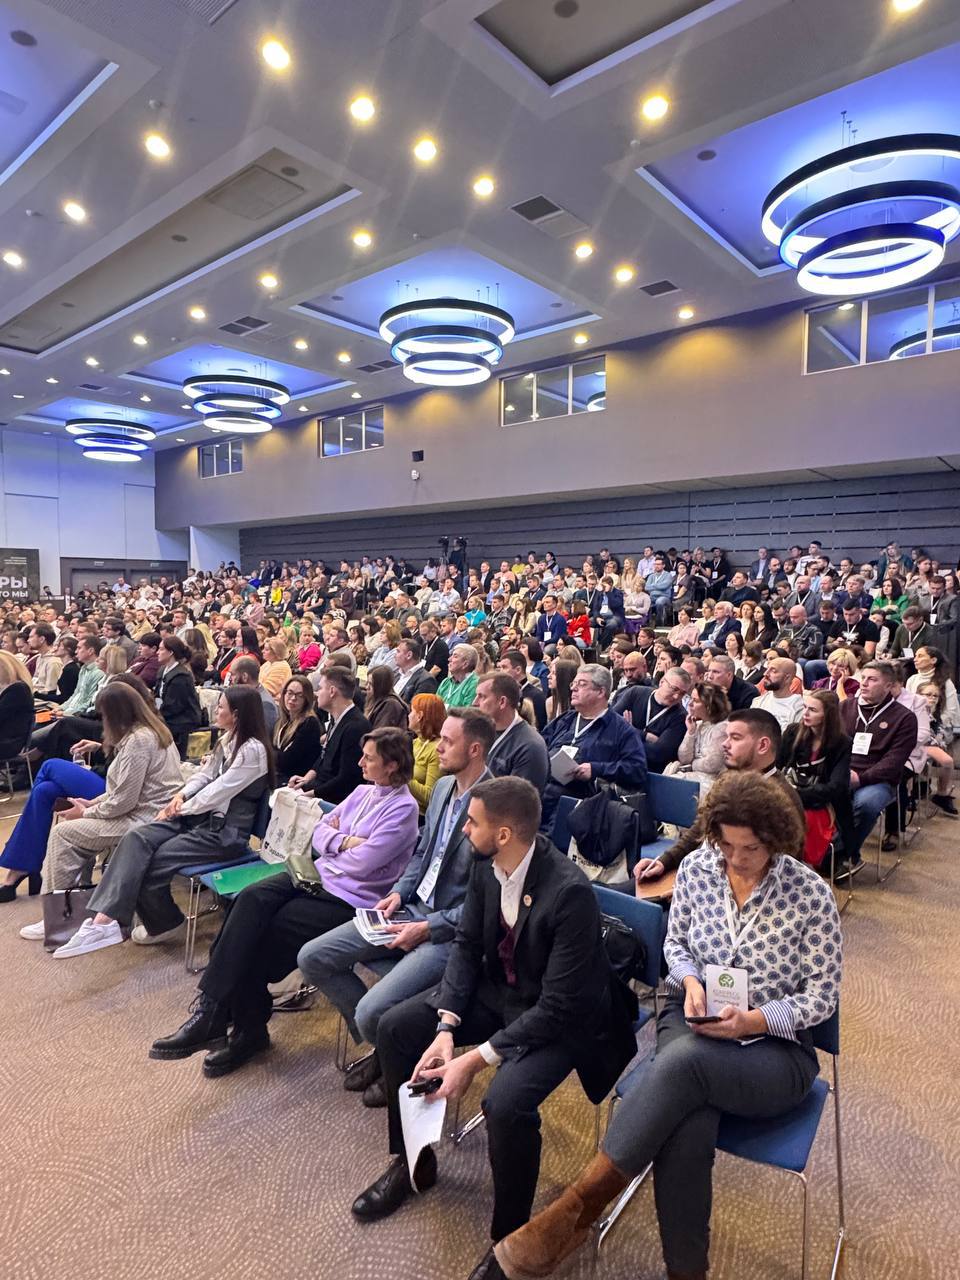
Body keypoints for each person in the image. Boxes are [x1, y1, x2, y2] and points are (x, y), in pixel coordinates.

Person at [493, 772, 842, 1280]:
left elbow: (822, 998)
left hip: (776, 1048)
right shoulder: (699, 866)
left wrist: (755, 1018)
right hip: (694, 1015)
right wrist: (691, 980)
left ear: (776, 839)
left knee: (683, 1070)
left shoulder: (809, 894)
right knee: (687, 1124)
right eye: (726, 844)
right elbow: (675, 944)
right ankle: (686, 1272)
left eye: (750, 848)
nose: (735, 858)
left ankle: (579, 1208)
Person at [351, 776, 638, 1280]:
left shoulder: (569, 892)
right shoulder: (488, 868)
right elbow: (466, 946)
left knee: (504, 1103)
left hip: (562, 1020)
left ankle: (510, 1238)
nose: (464, 829)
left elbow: (557, 1007)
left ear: (503, 834)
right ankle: (413, 1161)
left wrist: (475, 1058)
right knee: (397, 1028)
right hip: (505, 991)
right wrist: (446, 1027)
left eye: (472, 821)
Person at [149, 727, 418, 1073]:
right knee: (247, 902)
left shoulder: (404, 809)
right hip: (315, 874)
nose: (360, 763)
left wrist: (336, 841)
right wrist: (344, 841)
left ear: (392, 765)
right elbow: (317, 831)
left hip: (350, 898)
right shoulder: (363, 792)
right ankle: (213, 1010)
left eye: (369, 758)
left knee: (260, 934)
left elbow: (364, 863)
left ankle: (241, 1028)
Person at [297, 708, 494, 1104]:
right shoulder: (443, 788)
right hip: (411, 906)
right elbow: (422, 854)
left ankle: (390, 1056)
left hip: (447, 931)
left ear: (474, 750)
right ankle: (387, 1047)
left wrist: (428, 927)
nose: (436, 747)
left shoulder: (494, 803)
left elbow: (484, 903)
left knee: (371, 1011)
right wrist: (400, 893)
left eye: (447, 741)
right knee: (312, 957)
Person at [50, 686, 274, 957]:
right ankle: (104, 921)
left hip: (224, 834)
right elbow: (204, 776)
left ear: (236, 714)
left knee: (150, 860)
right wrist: (180, 796)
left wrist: (178, 808)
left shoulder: (253, 751)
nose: (215, 710)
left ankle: (160, 922)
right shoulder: (227, 740)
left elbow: (219, 791)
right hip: (198, 819)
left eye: (220, 707)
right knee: (137, 838)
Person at [13, 685, 183, 926]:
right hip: (148, 813)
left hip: (144, 819)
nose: (102, 721)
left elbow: (123, 801)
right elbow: (122, 792)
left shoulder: (138, 741)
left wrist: (86, 812)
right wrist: (92, 803)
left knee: (63, 834)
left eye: (103, 715)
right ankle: (64, 910)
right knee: (52, 803)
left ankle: (58, 918)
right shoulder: (149, 732)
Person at [634, 707, 805, 885]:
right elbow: (700, 827)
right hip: (703, 876)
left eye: (735, 738)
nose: (725, 744)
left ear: (762, 746)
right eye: (726, 736)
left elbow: (786, 869)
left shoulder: (784, 800)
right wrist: (665, 861)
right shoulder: (727, 779)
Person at [541, 664, 648, 830]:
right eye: (573, 684)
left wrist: (596, 769)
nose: (574, 689)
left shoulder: (620, 730)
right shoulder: (565, 720)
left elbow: (637, 769)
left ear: (601, 692)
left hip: (582, 804)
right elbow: (540, 746)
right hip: (543, 793)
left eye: (582, 684)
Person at [838, 661, 918, 870]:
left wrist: (861, 778)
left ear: (889, 685)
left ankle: (844, 855)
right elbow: (831, 744)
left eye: (872, 679)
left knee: (866, 805)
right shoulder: (845, 707)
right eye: (863, 678)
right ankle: (832, 854)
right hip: (842, 773)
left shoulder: (905, 718)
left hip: (879, 781)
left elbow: (894, 761)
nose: (864, 683)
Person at [778, 690, 854, 868]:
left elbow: (836, 786)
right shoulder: (792, 732)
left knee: (805, 819)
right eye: (805, 707)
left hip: (821, 801)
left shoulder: (842, 743)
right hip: (789, 794)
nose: (805, 713)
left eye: (812, 710)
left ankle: (802, 865)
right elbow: (777, 766)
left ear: (828, 715)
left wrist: (797, 795)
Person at [287, 667, 371, 802]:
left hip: (333, 801)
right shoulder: (336, 718)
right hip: (320, 789)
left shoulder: (356, 727)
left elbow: (347, 779)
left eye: (320, 688)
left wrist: (309, 794)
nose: (316, 693)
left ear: (332, 691)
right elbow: (324, 756)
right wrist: (305, 779)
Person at [475, 673, 550, 793]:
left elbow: (517, 799)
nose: (475, 702)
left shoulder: (529, 746)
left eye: (482, 697)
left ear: (502, 702)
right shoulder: (480, 732)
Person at [619, 667, 691, 772]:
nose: (676, 696)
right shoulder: (635, 693)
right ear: (662, 682)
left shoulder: (680, 717)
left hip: (648, 771)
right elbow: (609, 724)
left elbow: (657, 754)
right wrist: (644, 735)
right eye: (674, 689)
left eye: (682, 693)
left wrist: (625, 735)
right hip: (617, 762)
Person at [667, 682, 730, 790]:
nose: (690, 704)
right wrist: (690, 732)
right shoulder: (698, 725)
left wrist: (692, 764)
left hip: (712, 784)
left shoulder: (722, 728)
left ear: (709, 705)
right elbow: (684, 759)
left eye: (695, 700)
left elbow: (712, 764)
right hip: (695, 778)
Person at [155, 635, 203, 757]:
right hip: (167, 716)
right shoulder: (162, 670)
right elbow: (157, 696)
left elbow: (174, 706)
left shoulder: (181, 676)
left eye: (161, 649)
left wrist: (154, 716)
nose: (157, 652)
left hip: (181, 722)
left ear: (171, 652)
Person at [916, 681, 958, 815]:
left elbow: (938, 729)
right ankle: (920, 792)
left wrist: (939, 739)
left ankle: (941, 793)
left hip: (929, 743)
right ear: (918, 695)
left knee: (947, 758)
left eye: (935, 696)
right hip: (915, 744)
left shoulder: (934, 711)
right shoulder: (914, 710)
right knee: (946, 760)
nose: (933, 698)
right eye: (928, 694)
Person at [272, 675, 323, 786]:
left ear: (307, 699)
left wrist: (268, 753)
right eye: (290, 693)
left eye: (300, 695)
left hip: (294, 781)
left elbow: (286, 762)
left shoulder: (310, 723)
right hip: (279, 776)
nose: (293, 698)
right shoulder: (283, 720)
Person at [408, 692, 445, 814]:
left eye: (411, 711)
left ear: (419, 716)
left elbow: (430, 796)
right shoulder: (414, 742)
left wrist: (403, 778)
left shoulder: (437, 750)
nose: (408, 715)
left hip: (419, 815)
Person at [230, 655, 277, 734]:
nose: (230, 679)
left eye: (233, 674)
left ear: (245, 676)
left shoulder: (264, 703)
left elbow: (264, 736)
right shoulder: (247, 695)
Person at [754, 657, 805, 729]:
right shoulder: (758, 701)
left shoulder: (799, 708)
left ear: (787, 678)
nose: (765, 674)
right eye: (767, 669)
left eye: (773, 671)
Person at [364, 664, 410, 729]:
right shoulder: (374, 699)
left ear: (380, 686)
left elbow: (380, 732)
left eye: (371, 684)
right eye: (367, 683)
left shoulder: (391, 706)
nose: (367, 687)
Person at [393, 636, 438, 702]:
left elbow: (416, 707)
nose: (394, 655)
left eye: (398, 651)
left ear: (409, 655)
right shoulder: (396, 675)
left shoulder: (426, 680)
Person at [437, 643, 480, 708]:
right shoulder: (445, 682)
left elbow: (468, 712)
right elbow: (434, 707)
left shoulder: (474, 684)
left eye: (455, 656)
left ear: (465, 664)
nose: (449, 659)